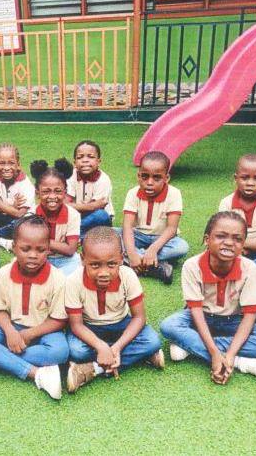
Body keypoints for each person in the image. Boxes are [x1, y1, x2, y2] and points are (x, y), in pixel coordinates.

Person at [160, 212, 256, 383]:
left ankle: (189, 346)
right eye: (220, 236)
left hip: (235, 320)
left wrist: (230, 354)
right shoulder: (192, 266)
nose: (229, 243)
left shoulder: (250, 269)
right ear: (207, 240)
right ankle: (241, 362)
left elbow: (249, 316)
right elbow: (195, 310)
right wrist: (215, 354)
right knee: (169, 326)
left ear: (243, 245)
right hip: (202, 317)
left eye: (237, 239)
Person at [0, 215, 69, 400]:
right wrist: (10, 332)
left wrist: (29, 334)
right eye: (25, 249)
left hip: (44, 329)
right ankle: (37, 373)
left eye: (40, 250)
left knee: (60, 352)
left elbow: (59, 320)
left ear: (49, 249)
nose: (33, 255)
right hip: (11, 325)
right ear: (14, 247)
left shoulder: (58, 278)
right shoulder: (3, 274)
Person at [65, 227, 164, 393]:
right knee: (76, 351)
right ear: (82, 259)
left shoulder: (128, 276)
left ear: (121, 258)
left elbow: (139, 318)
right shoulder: (73, 281)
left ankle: (93, 369)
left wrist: (116, 347)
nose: (103, 273)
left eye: (111, 264)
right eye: (95, 265)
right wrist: (100, 346)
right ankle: (142, 356)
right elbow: (76, 325)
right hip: (89, 328)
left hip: (121, 324)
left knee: (152, 341)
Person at [121, 151, 189, 284]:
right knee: (111, 235)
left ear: (166, 178)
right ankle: (154, 266)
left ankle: (130, 260)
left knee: (182, 247)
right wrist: (132, 253)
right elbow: (127, 226)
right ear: (138, 176)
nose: (149, 182)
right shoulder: (132, 193)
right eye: (144, 177)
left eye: (157, 178)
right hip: (138, 235)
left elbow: (172, 229)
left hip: (162, 239)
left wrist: (152, 250)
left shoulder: (174, 194)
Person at [29, 158, 81, 276]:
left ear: (65, 192)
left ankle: (52, 277)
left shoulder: (73, 215)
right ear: (37, 193)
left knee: (78, 268)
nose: (52, 196)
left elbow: (70, 250)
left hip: (66, 260)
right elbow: (30, 246)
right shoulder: (31, 214)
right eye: (46, 191)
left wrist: (40, 241)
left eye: (58, 191)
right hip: (40, 258)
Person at [0, 143, 35, 245]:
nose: (7, 168)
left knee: (19, 225)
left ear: (18, 165)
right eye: (2, 163)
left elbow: (19, 214)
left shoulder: (25, 184)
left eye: (11, 163)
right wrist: (11, 208)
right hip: (4, 216)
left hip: (23, 221)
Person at [66, 140, 114, 237]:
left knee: (101, 215)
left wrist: (75, 206)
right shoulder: (70, 175)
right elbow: (65, 205)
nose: (85, 160)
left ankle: (72, 234)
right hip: (75, 216)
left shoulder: (103, 179)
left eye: (90, 157)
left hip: (95, 218)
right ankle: (80, 235)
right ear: (75, 163)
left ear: (98, 162)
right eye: (80, 157)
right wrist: (91, 206)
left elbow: (95, 209)